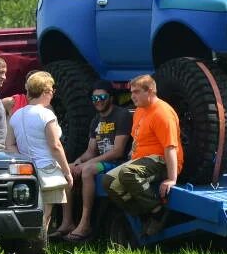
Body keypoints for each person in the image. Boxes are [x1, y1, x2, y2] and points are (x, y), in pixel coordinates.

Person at [103, 74, 182, 236]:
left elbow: (171, 147)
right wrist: (131, 158)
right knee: (109, 181)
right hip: (142, 160)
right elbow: (137, 139)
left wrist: (172, 178)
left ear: (150, 91)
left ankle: (158, 212)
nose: (132, 96)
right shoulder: (139, 111)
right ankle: (145, 214)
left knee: (128, 173)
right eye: (132, 92)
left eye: (137, 92)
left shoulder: (162, 113)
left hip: (162, 161)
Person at [57, 79, 132, 242]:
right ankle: (67, 222)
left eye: (102, 97)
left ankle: (85, 224)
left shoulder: (122, 115)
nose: (98, 102)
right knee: (67, 170)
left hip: (119, 163)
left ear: (111, 97)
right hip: (102, 162)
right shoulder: (96, 120)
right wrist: (76, 162)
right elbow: (91, 151)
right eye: (95, 99)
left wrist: (86, 164)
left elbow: (118, 151)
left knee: (88, 170)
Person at [5, 71, 74, 237]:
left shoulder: (16, 115)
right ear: (44, 92)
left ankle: (27, 244)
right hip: (47, 169)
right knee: (45, 214)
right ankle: (37, 248)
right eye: (51, 91)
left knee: (29, 210)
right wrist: (67, 172)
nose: (52, 94)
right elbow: (55, 145)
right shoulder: (47, 114)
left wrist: (27, 159)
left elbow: (9, 145)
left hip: (26, 170)